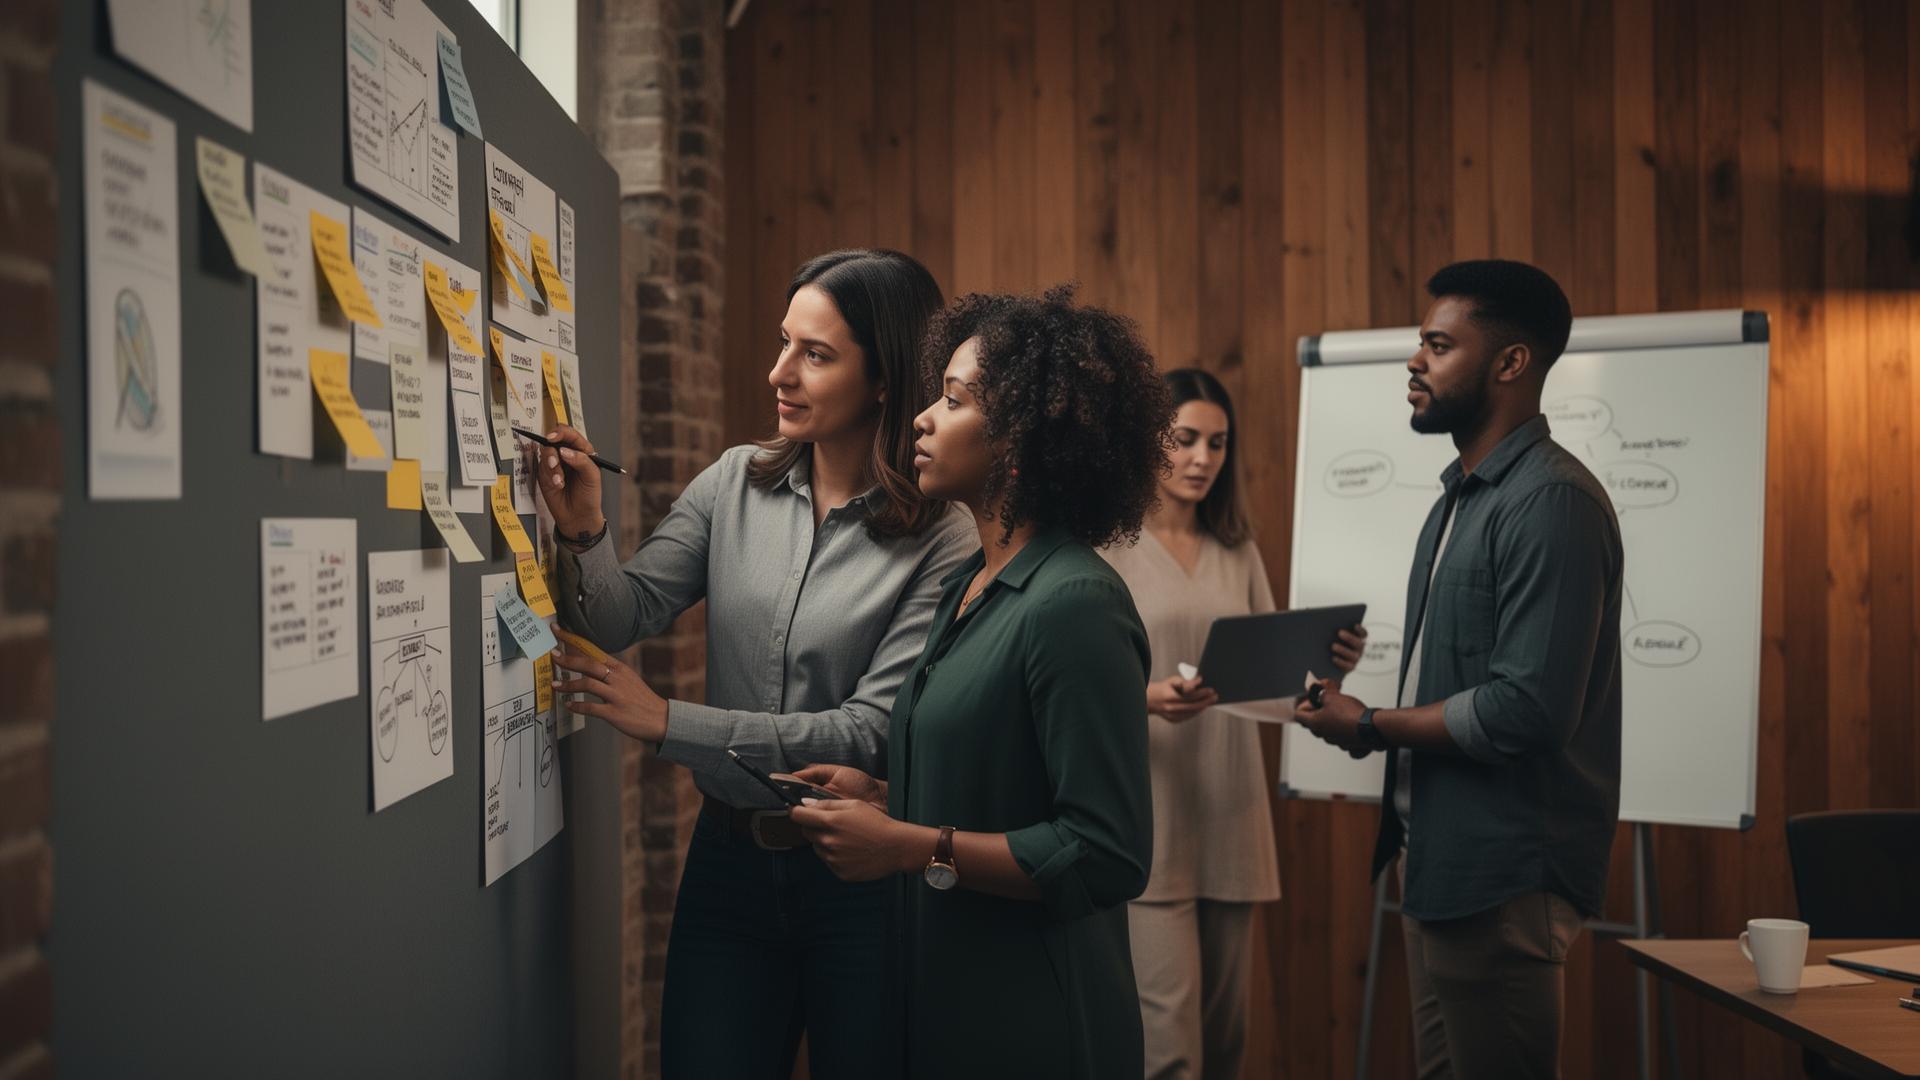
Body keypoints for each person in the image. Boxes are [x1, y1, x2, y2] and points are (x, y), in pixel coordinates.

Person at [539, 249, 975, 1079]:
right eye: (785, 342)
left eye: (816, 354)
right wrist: (584, 529)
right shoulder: (732, 482)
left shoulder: (943, 536)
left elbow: (865, 734)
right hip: (730, 869)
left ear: (884, 379)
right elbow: (617, 615)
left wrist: (669, 721)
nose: (779, 372)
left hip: (862, 882)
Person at [787, 287, 1174, 1079]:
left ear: (1022, 443)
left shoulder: (1075, 604)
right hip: (946, 1002)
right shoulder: (971, 582)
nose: (923, 418)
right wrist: (886, 797)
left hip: (1034, 1021)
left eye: (954, 400)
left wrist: (908, 846)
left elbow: (1105, 852)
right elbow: (1004, 781)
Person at [1295, 259, 1623, 1079]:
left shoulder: (1552, 502)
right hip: (1440, 862)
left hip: (1502, 877)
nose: (1414, 361)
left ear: (1510, 363)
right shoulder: (1459, 498)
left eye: (1438, 345)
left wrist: (1368, 726)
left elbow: (1528, 709)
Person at [1102, 367, 1363, 1080]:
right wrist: (1147, 698)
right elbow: (1069, 689)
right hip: (1148, 820)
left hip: (1233, 815)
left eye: (1217, 444)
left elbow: (1274, 690)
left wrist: (1327, 675)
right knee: (1171, 1056)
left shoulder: (1236, 548)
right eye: (1184, 439)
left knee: (1226, 1049)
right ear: (1148, 439)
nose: (1202, 459)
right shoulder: (1104, 546)